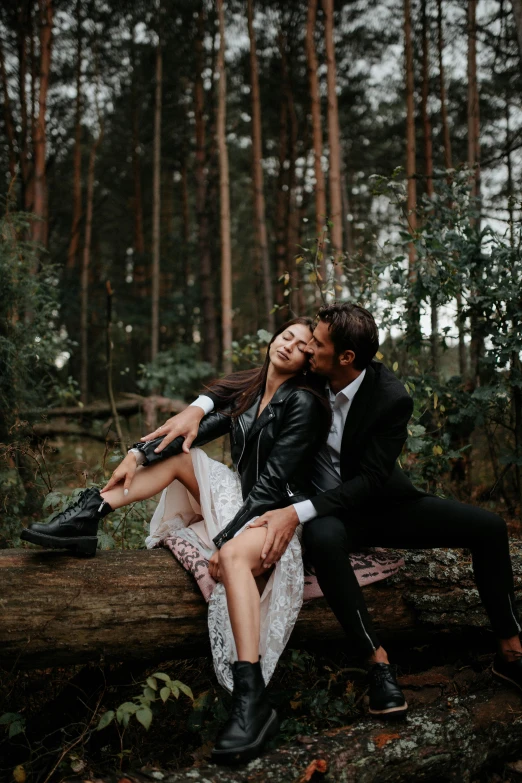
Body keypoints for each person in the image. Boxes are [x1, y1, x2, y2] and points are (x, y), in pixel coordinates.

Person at [152, 302, 522, 721]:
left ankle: (510, 648)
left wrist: (295, 513)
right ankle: (377, 662)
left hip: (379, 502)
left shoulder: (390, 398)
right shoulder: (310, 373)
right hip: (324, 513)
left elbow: (370, 481)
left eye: (318, 342)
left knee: (489, 527)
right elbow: (245, 384)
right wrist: (196, 407)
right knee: (325, 539)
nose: (307, 346)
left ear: (346, 357)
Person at [21, 318, 331, 764]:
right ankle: (90, 514)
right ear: (273, 339)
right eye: (286, 336)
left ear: (309, 361)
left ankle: (251, 701)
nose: (289, 346)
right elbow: (188, 434)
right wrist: (136, 453)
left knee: (231, 556)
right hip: (241, 499)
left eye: (303, 345)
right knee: (182, 455)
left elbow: (271, 488)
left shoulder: (304, 402)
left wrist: (226, 537)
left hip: (272, 514)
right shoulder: (248, 392)